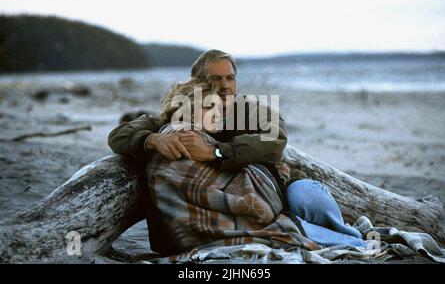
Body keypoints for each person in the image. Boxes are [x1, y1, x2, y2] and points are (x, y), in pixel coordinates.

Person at [108, 49, 366, 254]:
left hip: (281, 191)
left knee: (306, 197)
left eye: (230, 77)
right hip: (232, 208)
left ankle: (349, 237)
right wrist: (152, 140)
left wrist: (215, 152)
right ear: (197, 82)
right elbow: (118, 135)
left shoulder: (248, 109)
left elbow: (275, 137)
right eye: (215, 79)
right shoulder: (181, 114)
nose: (225, 85)